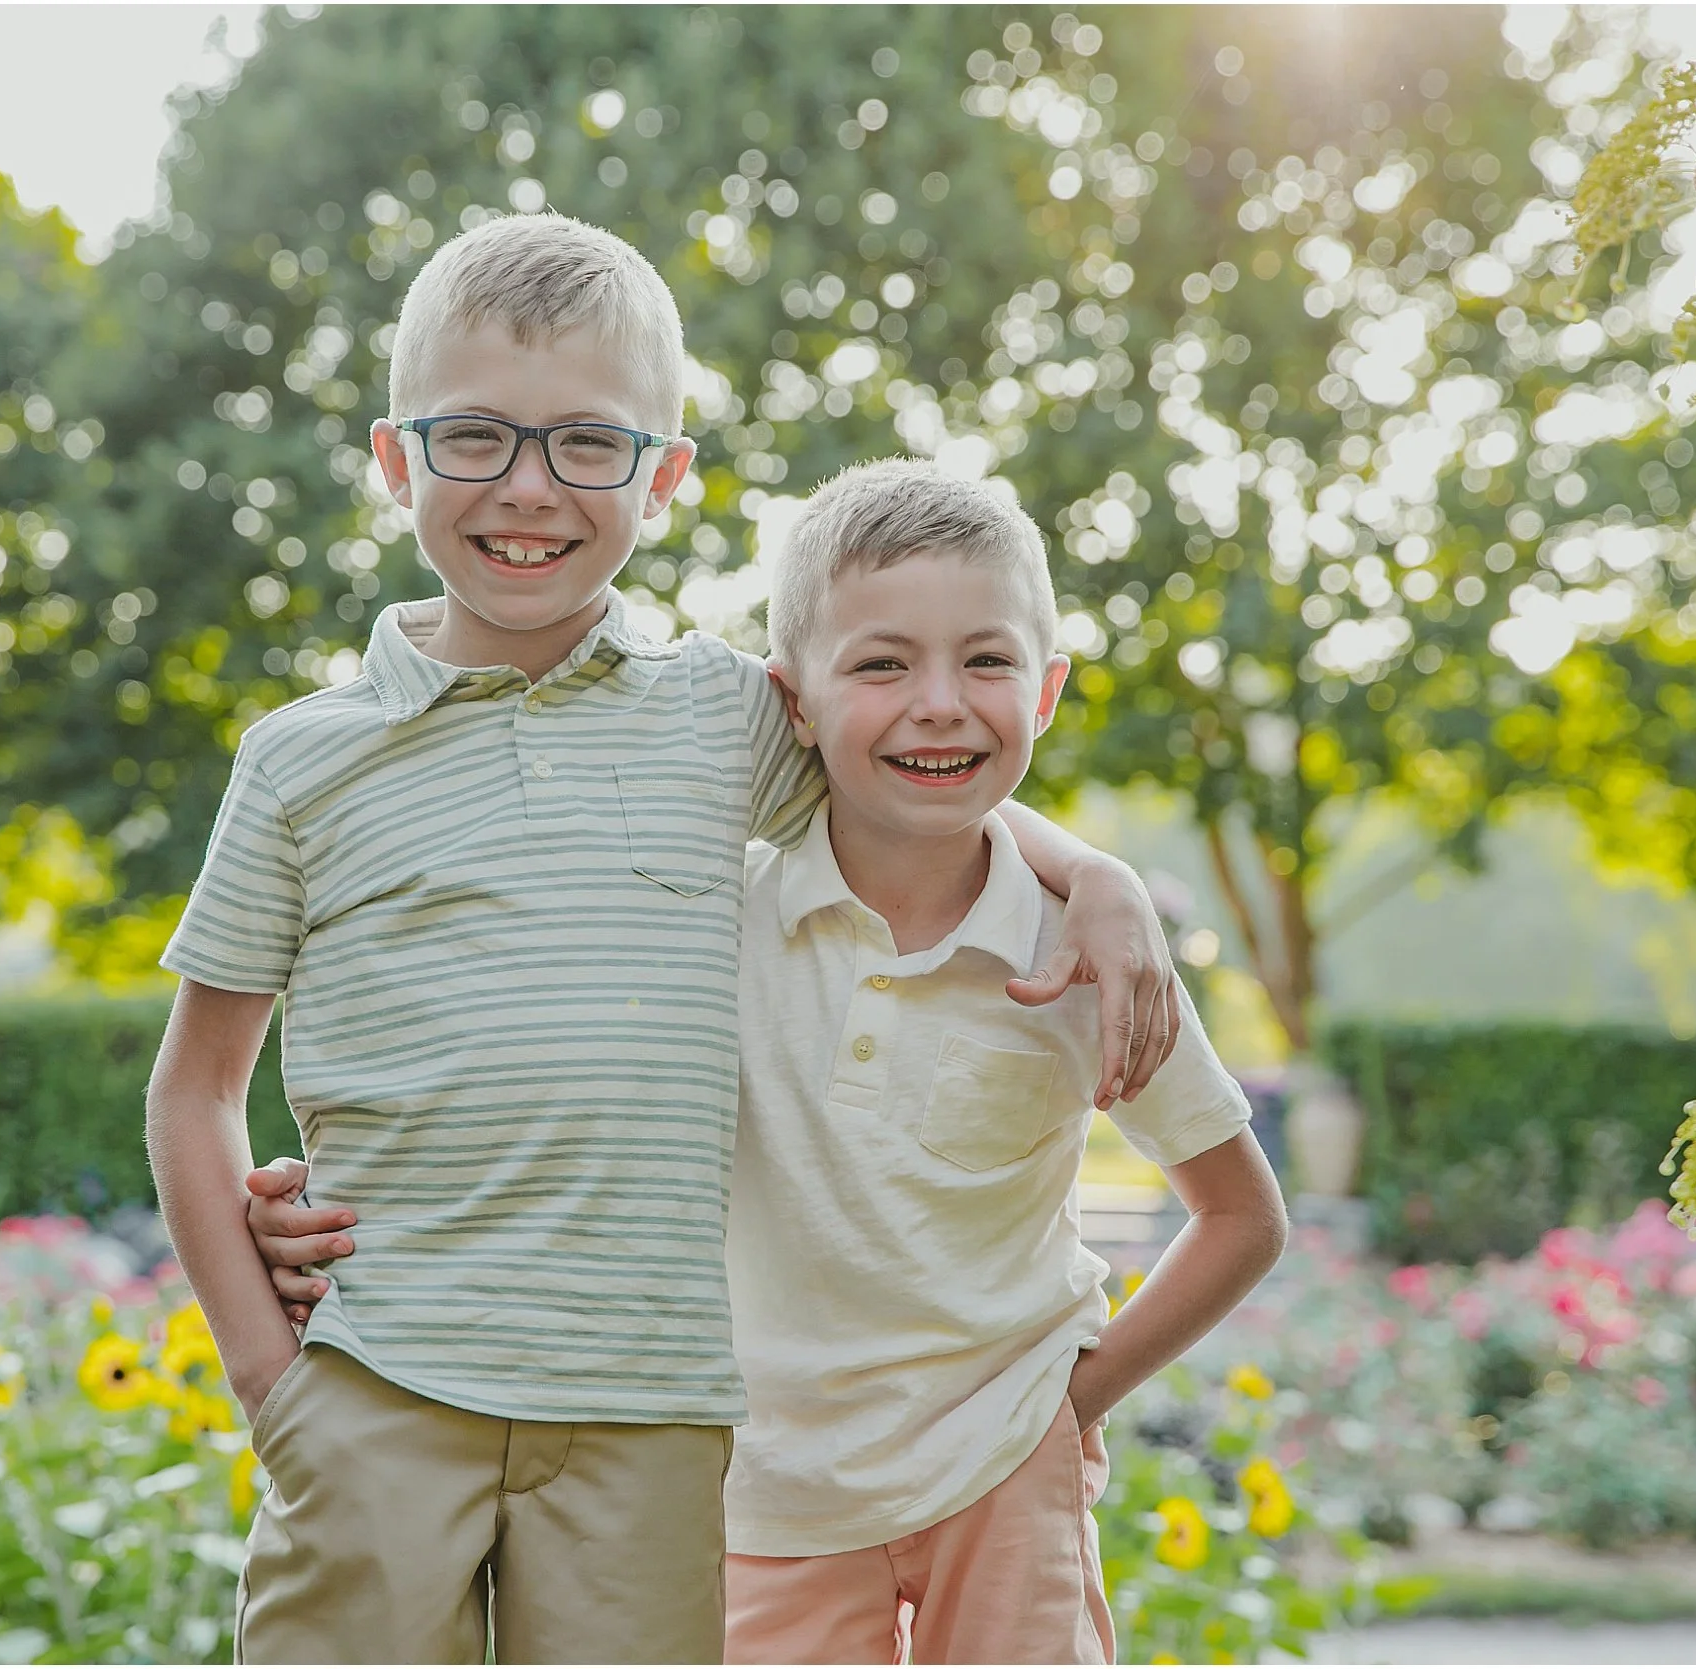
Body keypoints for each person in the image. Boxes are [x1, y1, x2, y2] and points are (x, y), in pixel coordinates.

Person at [145, 213, 1181, 1665]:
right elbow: (194, 1086)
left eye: (586, 444)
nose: (528, 488)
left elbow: (922, 781)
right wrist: (271, 1382)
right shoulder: (302, 762)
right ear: (394, 458)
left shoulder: (720, 717)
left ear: (664, 476)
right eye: (474, 439)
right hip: (375, 1380)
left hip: (655, 1413)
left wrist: (1102, 879)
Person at [252, 457, 1291, 1665]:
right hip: (762, 1490)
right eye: (881, 663)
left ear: (1047, 689)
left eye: (988, 660)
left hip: (1009, 1465)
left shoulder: (1085, 957)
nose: (940, 702)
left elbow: (1240, 1215)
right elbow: (530, 1070)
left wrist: (1071, 1399)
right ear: (791, 701)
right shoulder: (705, 921)